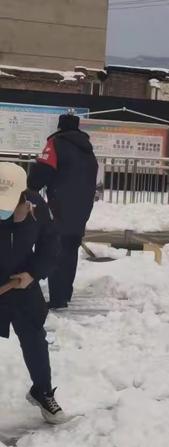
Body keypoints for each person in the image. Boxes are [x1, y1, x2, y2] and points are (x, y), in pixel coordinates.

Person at [0, 162, 66, 423]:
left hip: (22, 281)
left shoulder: (36, 206)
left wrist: (34, 274)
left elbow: (51, 244)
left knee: (34, 339)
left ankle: (42, 390)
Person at [28, 114, 98, 309]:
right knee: (70, 247)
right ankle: (65, 293)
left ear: (60, 127)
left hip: (60, 204)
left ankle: (58, 298)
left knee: (57, 248)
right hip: (83, 205)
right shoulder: (87, 149)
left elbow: (41, 173)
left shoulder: (56, 143)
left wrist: (31, 184)